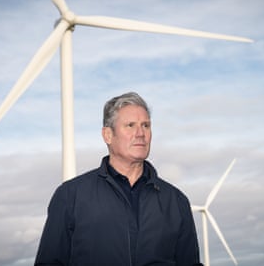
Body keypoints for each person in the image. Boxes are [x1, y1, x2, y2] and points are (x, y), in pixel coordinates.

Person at [35, 92, 203, 266]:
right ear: (107, 135)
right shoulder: (70, 196)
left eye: (145, 125)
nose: (140, 133)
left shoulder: (176, 201)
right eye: (130, 125)